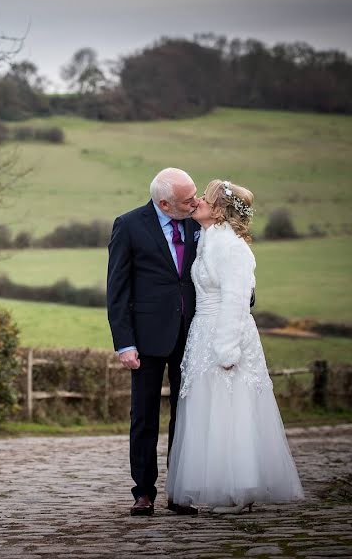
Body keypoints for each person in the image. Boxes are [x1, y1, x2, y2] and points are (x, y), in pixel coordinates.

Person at [165, 179, 304, 514]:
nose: (196, 200)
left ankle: (240, 490)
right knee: (209, 410)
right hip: (203, 333)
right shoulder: (209, 241)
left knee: (231, 410)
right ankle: (220, 488)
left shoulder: (232, 247)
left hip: (226, 334)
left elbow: (237, 300)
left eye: (205, 198)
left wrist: (227, 349)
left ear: (220, 210)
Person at [106, 167, 200, 517]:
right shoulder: (129, 225)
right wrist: (124, 342)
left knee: (186, 416)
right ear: (164, 202)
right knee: (144, 417)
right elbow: (117, 289)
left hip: (192, 335)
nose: (195, 202)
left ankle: (179, 490)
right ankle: (143, 491)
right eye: (187, 199)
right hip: (145, 338)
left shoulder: (198, 222)